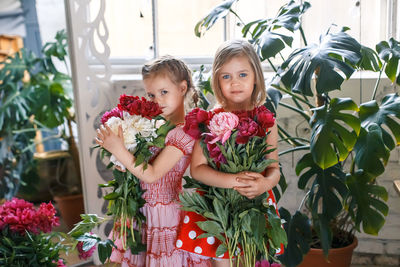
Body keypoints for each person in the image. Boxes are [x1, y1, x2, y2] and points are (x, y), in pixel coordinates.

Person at [96, 56, 211, 267]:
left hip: (165, 212)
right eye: (151, 94)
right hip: (143, 209)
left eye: (163, 92)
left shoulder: (184, 132)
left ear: (182, 88)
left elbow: (152, 174)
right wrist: (122, 150)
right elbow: (136, 166)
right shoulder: (154, 126)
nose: (156, 100)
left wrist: (119, 149)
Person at [176, 39, 283, 267]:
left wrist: (265, 184)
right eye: (226, 77)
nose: (235, 83)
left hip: (255, 203)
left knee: (251, 257)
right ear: (217, 81)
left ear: (256, 77)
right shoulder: (210, 119)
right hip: (219, 208)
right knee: (223, 258)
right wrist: (234, 181)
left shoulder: (267, 121)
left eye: (242, 75)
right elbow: (197, 169)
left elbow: (274, 168)